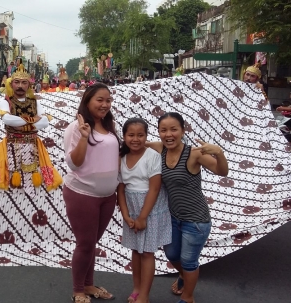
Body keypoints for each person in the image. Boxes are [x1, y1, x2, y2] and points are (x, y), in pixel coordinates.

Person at [146, 112, 228, 303]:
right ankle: (184, 275)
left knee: (189, 261)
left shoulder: (194, 153)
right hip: (173, 217)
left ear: (183, 131)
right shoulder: (160, 148)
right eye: (163, 130)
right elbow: (135, 143)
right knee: (172, 254)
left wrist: (219, 152)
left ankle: (188, 297)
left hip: (196, 221)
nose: (169, 134)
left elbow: (222, 171)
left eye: (174, 129)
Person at [62, 82, 120, 303]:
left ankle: (88, 284)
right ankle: (78, 290)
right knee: (85, 244)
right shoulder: (75, 128)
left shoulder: (110, 125)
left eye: (108, 100)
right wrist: (85, 136)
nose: (105, 104)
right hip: (82, 195)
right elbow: (74, 164)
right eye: (100, 100)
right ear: (87, 101)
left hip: (107, 196)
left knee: (91, 244)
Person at [117, 118, 171, 303]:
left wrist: (142, 217)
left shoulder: (152, 156)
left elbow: (155, 188)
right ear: (124, 136)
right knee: (135, 250)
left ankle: (145, 296)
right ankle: (137, 289)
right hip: (131, 208)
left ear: (147, 136)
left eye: (141, 135)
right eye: (131, 135)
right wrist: (126, 215)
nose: (136, 139)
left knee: (147, 252)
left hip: (150, 207)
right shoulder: (121, 158)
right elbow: (121, 189)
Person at [0, 69, 62, 194]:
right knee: (12, 176)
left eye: (24, 82)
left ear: (29, 85)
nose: (20, 86)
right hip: (11, 145)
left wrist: (20, 124)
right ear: (11, 84)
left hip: (33, 145)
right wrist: (33, 120)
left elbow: (44, 122)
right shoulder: (6, 102)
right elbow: (7, 119)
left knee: (35, 177)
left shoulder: (35, 102)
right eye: (17, 82)